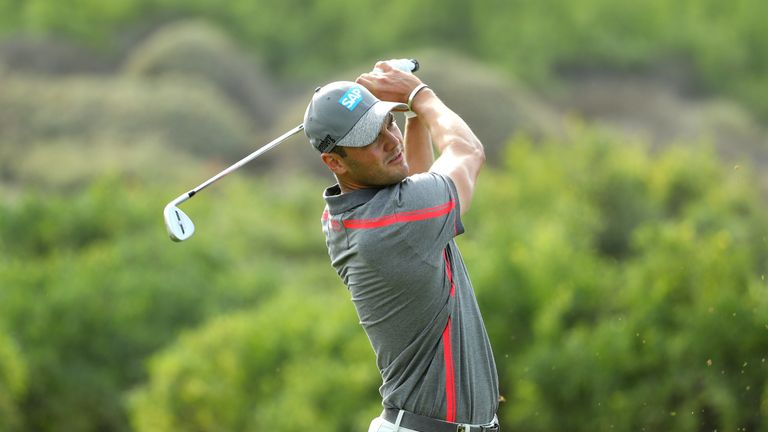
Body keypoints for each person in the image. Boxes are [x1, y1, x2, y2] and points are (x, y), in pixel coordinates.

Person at [304, 60, 500, 432]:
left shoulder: (349, 213)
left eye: (388, 123)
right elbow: (468, 152)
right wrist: (418, 95)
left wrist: (410, 116)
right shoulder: (392, 224)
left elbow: (415, 183)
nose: (391, 142)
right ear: (333, 161)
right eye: (370, 139)